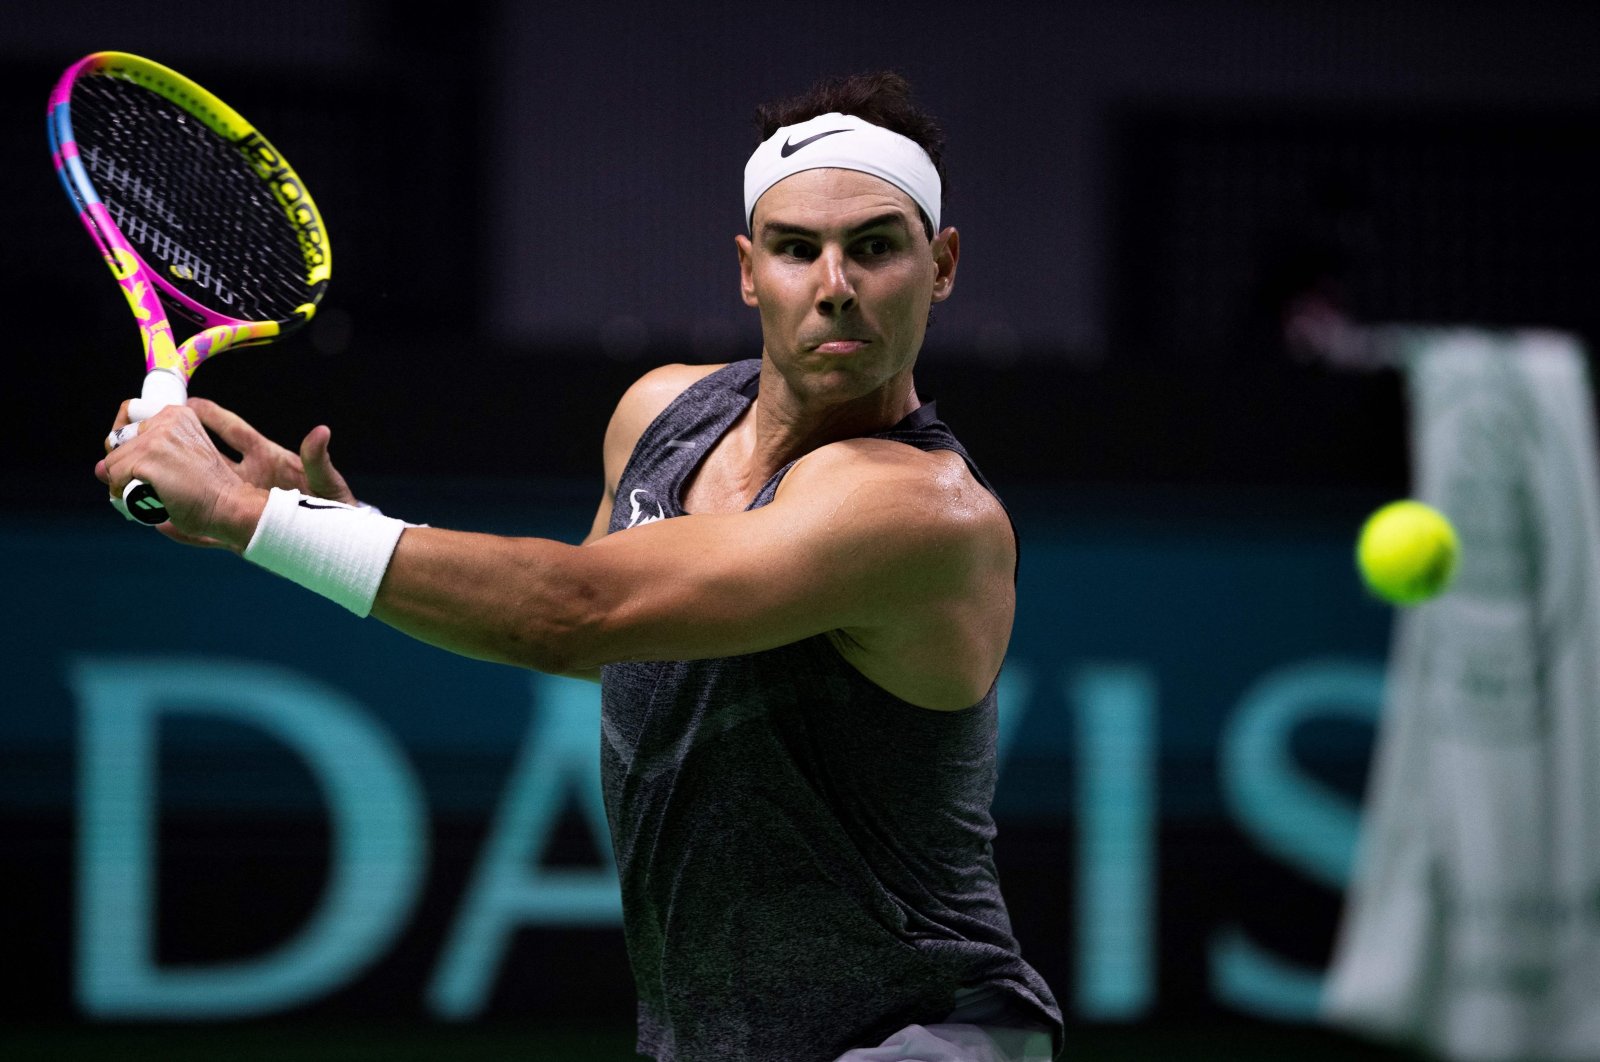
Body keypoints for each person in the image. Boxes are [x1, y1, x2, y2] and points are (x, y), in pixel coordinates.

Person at [97, 70, 1063, 1062]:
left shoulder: (923, 513)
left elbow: (574, 613)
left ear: (939, 265)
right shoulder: (663, 415)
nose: (832, 284)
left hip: (923, 1032)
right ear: (746, 269)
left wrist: (245, 515)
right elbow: (611, 637)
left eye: (873, 248)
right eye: (793, 248)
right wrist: (325, 523)